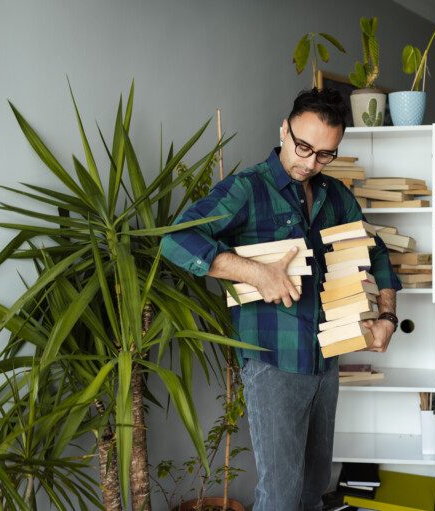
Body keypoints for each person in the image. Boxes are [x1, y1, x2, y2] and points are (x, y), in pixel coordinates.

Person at [161, 88, 401, 510]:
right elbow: (177, 239)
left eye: (324, 154)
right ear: (283, 130)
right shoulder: (247, 189)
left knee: (313, 488)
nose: (309, 162)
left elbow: (375, 251)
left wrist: (387, 315)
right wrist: (253, 272)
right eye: (303, 146)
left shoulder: (336, 195)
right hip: (272, 364)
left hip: (326, 360)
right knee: (281, 496)